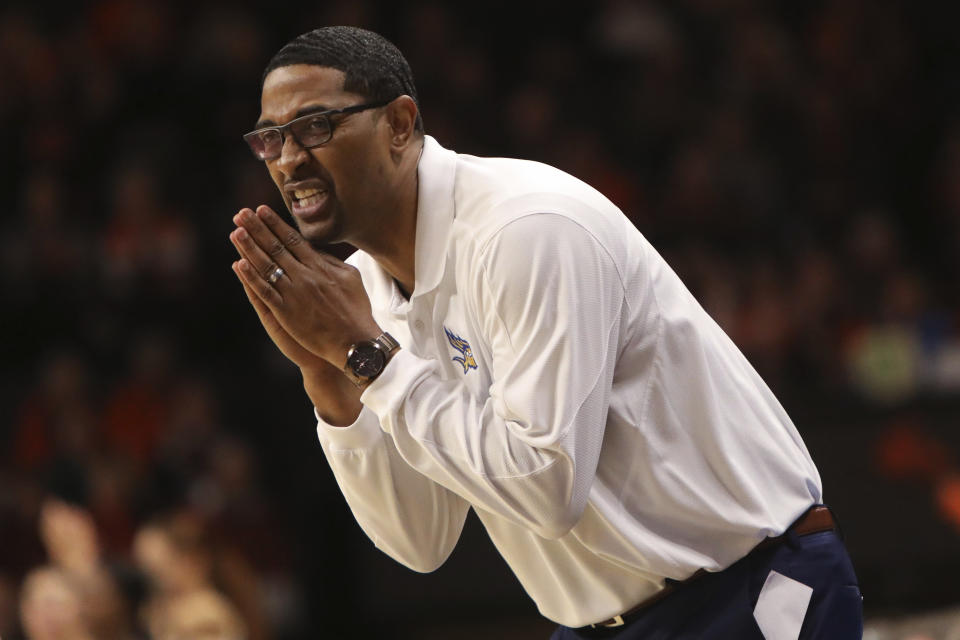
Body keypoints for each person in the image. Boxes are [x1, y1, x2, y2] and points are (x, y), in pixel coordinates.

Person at [229, 25, 863, 639]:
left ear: (399, 123)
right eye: (269, 139)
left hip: (746, 589)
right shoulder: (364, 295)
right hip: (601, 623)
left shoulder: (526, 229)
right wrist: (328, 377)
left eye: (314, 127)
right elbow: (420, 541)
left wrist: (367, 356)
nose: (288, 159)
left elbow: (546, 486)